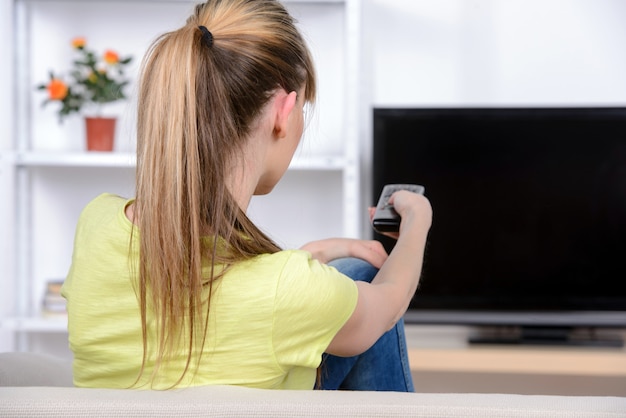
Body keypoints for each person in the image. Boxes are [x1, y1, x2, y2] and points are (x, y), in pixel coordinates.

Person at [62, 0, 432, 391]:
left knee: (348, 276)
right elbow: (388, 304)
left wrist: (309, 257)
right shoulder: (287, 292)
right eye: (303, 107)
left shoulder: (96, 223)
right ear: (283, 112)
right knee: (365, 276)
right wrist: (416, 222)